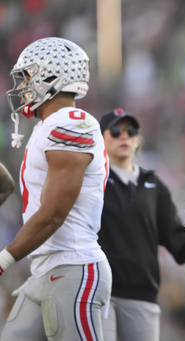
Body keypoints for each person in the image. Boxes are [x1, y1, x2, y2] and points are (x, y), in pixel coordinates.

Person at [0, 37, 111, 341]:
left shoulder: (71, 123)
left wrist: (4, 259)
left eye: (26, 78)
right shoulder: (49, 126)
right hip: (46, 269)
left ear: (49, 77)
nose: (21, 87)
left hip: (73, 267)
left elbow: (52, 214)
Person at [97, 107, 185, 341]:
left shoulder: (153, 185)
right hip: (99, 292)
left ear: (138, 139)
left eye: (131, 131)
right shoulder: (91, 181)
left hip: (142, 292)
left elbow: (176, 237)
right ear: (100, 139)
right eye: (115, 131)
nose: (124, 136)